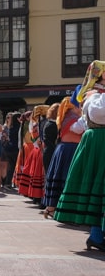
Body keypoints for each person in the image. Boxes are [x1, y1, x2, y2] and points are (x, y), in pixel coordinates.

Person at [54, 62, 105, 251]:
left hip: (98, 141)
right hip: (99, 141)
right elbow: (98, 115)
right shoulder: (94, 96)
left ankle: (97, 234)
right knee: (97, 185)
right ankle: (96, 234)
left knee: (98, 187)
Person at [41, 95, 84, 219]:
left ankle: (52, 208)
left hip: (64, 149)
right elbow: (80, 129)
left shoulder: (65, 118)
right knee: (66, 179)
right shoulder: (73, 118)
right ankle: (56, 209)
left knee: (59, 178)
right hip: (70, 149)